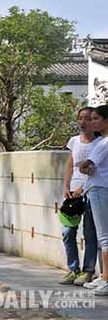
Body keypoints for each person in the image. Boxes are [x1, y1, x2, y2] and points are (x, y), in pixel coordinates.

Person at [59, 107, 101, 286]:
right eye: (80, 118)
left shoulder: (100, 143)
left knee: (90, 233)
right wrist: (66, 186)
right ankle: (73, 268)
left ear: (94, 122)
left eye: (87, 119)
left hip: (91, 191)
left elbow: (97, 170)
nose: (83, 122)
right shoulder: (74, 141)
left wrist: (82, 188)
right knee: (68, 231)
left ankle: (88, 271)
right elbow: (71, 166)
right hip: (72, 194)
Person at [79, 105, 108, 295]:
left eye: (96, 119)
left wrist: (84, 165)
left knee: (104, 237)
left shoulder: (104, 143)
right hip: (98, 188)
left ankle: (106, 279)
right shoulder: (101, 142)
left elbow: (87, 165)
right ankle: (105, 276)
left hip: (99, 189)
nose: (92, 122)